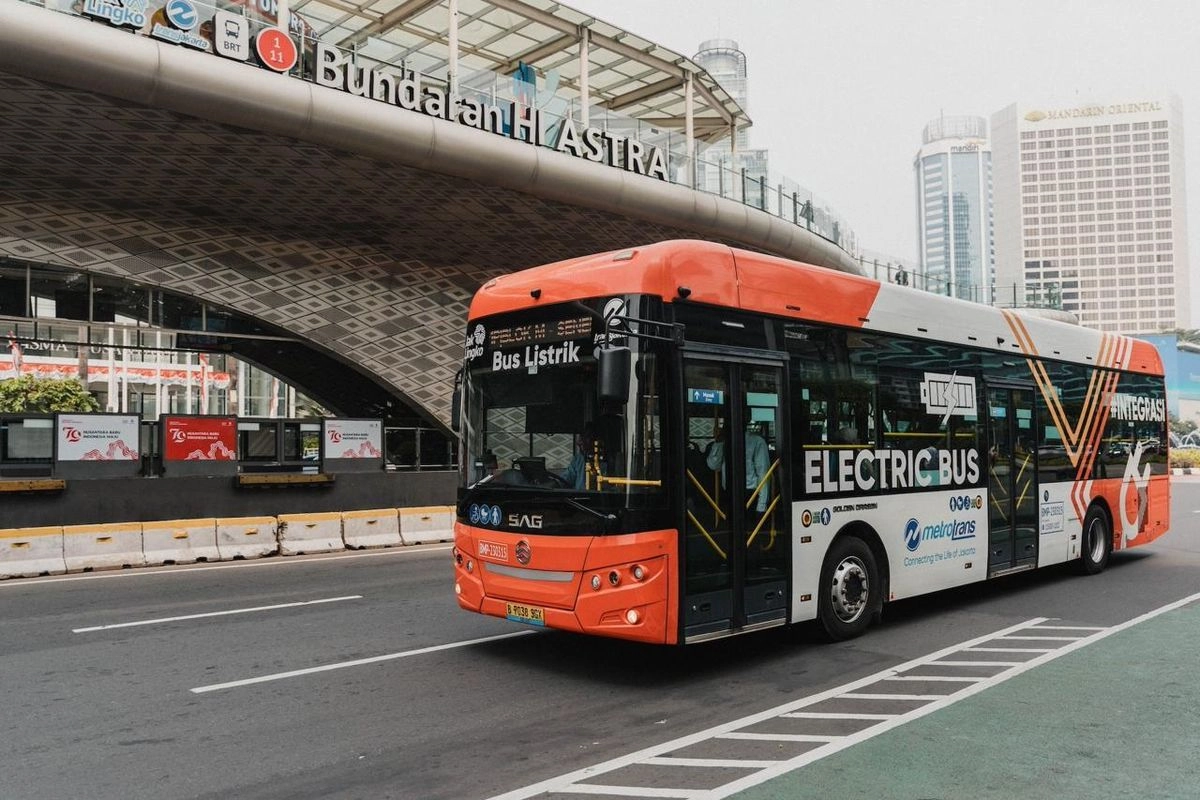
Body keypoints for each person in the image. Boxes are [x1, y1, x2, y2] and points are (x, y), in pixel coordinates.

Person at [705, 422, 771, 512]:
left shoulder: (757, 441)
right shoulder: (723, 442)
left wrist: (761, 505)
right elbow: (713, 465)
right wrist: (719, 442)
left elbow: (763, 473)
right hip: (728, 492)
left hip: (750, 493)